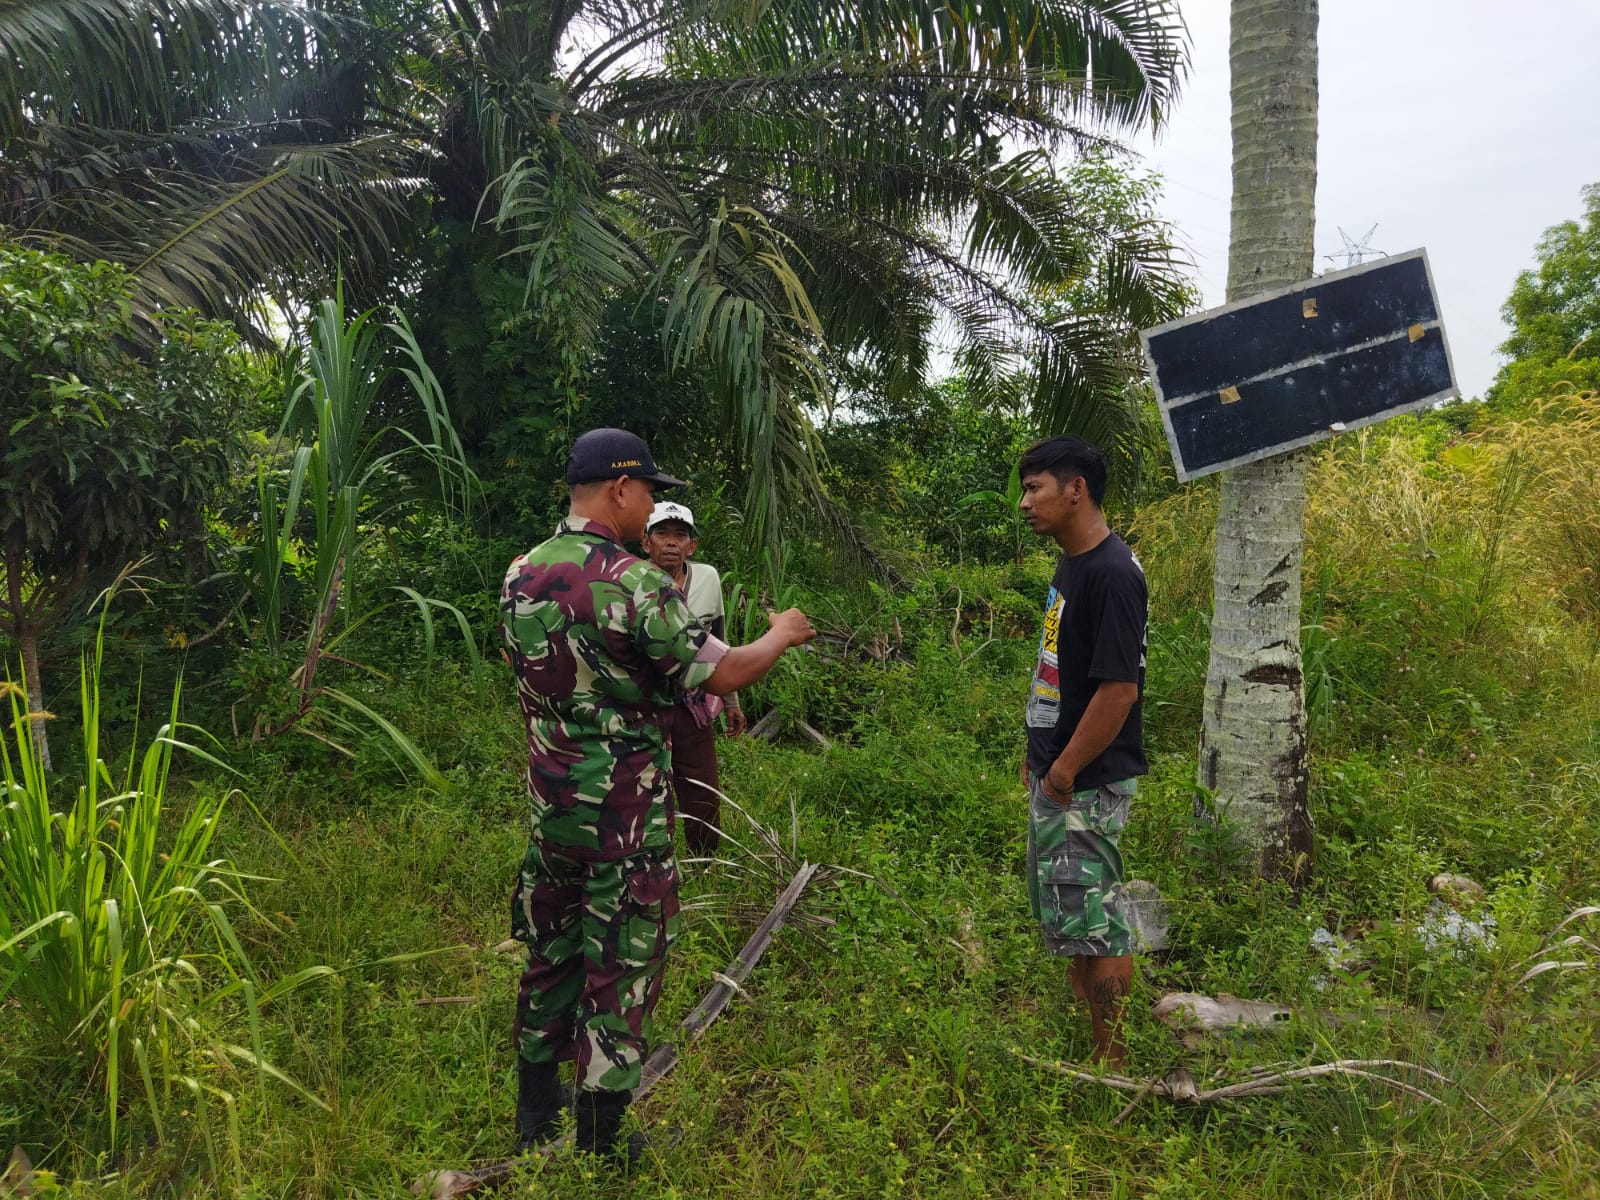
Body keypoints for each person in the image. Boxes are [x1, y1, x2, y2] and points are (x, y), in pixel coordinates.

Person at [499, 427, 815, 1162]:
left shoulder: (520, 570)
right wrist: (781, 635)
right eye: (648, 491)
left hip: (551, 808)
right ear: (618, 489)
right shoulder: (634, 580)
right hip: (623, 818)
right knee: (621, 961)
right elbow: (724, 672)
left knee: (551, 950)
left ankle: (534, 1113)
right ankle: (603, 1143)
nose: (652, 508)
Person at [1016, 434, 1148, 1067]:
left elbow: (1119, 690)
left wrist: (1065, 770)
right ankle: (1087, 1037)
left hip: (1087, 779)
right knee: (1073, 908)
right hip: (1059, 769)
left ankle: (1112, 1060)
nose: (1024, 502)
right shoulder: (1072, 562)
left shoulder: (1113, 574)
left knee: (1099, 918)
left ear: (1077, 490)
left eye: (1035, 487)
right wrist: (1039, 750)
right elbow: (1056, 666)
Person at [641, 500, 744, 855]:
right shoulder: (630, 582)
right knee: (644, 787)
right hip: (644, 704)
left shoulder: (709, 578)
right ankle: (651, 858)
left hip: (694, 702)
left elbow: (720, 640)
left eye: (680, 534)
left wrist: (731, 700)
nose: (671, 542)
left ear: (692, 545)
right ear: (646, 542)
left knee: (702, 787)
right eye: (662, 533)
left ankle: (705, 860)